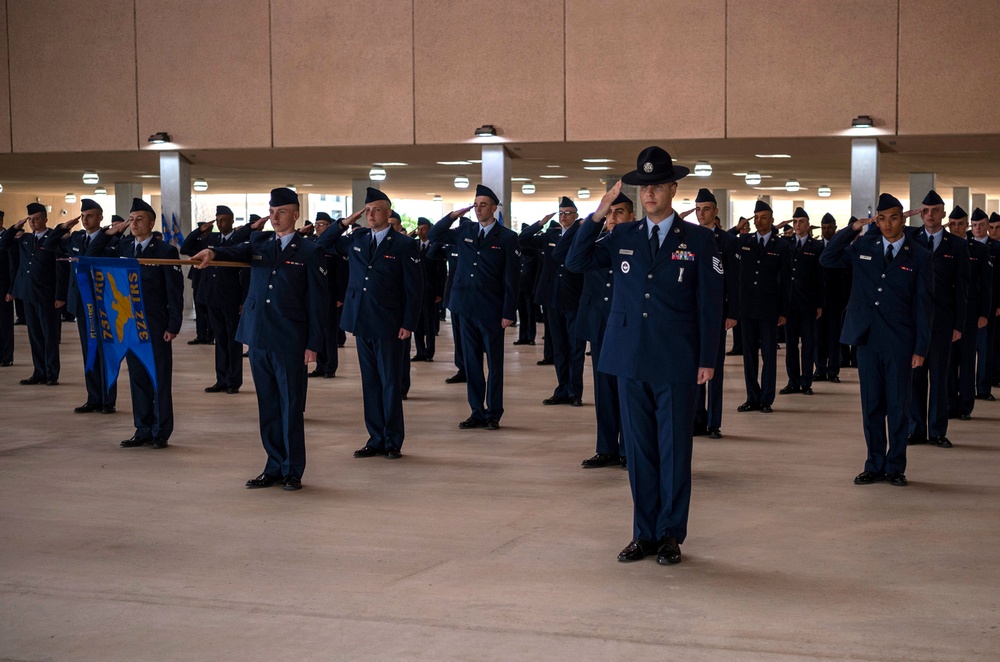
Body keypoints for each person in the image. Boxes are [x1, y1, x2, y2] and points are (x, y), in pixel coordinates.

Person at [567, 146, 723, 565]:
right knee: (638, 452)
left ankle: (671, 534)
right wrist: (599, 213)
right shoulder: (622, 235)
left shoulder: (699, 240)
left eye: (657, 186)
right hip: (629, 355)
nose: (649, 194)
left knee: (673, 450)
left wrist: (708, 357)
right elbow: (576, 259)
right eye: (643, 187)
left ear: (673, 189)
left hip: (676, 357)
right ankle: (644, 532)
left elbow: (711, 304)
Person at [193, 187, 327, 490]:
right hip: (258, 335)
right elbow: (233, 250)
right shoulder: (259, 242)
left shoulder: (310, 251)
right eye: (272, 211)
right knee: (267, 405)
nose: (275, 217)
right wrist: (212, 252)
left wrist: (313, 344)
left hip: (290, 339)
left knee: (291, 406)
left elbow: (318, 302)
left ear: (295, 214)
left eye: (281, 212)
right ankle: (273, 466)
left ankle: (293, 469)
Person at [820, 194, 933, 487]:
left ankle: (896, 466)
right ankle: (874, 464)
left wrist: (920, 348)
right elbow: (828, 257)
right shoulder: (863, 246)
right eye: (881, 218)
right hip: (867, 340)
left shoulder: (918, 255)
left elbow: (924, 306)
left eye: (893, 217)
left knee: (898, 407)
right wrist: (854, 228)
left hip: (900, 342)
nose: (887, 224)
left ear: (903, 219)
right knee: (871, 406)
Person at [316, 188, 422, 458]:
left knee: (389, 383)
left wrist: (408, 323)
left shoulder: (403, 245)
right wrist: (344, 223)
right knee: (370, 383)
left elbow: (414, 289)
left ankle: (392, 441)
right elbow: (323, 243)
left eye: (376, 209)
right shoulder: (358, 238)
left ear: (388, 213)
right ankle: (375, 438)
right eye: (368, 210)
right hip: (362, 319)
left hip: (389, 322)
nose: (371, 214)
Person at [429, 185, 520, 430]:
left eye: (483, 205)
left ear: (494, 208)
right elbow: (435, 235)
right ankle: (476, 411)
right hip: (464, 307)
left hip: (491, 309)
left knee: (494, 363)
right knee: (471, 361)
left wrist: (508, 312)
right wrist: (452, 216)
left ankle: (494, 413)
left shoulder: (508, 237)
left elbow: (512, 278)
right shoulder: (465, 230)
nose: (479, 209)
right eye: (476, 204)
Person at [103, 199, 184, 449]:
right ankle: (143, 428)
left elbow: (174, 291)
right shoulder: (123, 247)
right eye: (131, 219)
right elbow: (93, 252)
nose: (134, 223)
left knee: (158, 377)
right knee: (138, 378)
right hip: (129, 326)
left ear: (151, 222)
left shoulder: (165, 251)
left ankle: (161, 431)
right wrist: (112, 232)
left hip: (155, 326)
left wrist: (173, 325)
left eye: (139, 219)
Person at [563, 190, 634, 467]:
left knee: (627, 391)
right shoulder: (599, 242)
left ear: (631, 216)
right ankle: (606, 448)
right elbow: (571, 261)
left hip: (628, 327)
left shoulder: (640, 245)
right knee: (604, 390)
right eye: (610, 213)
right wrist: (595, 218)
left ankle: (629, 450)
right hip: (600, 323)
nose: (613, 218)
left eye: (619, 212)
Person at [906, 190, 969, 449]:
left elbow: (962, 289)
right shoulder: (910, 239)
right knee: (915, 378)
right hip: (914, 321)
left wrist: (958, 325)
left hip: (943, 323)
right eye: (925, 210)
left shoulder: (957, 245)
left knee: (940, 378)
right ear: (920, 213)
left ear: (943, 213)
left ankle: (937, 430)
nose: (929, 215)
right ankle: (916, 430)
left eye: (934, 210)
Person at [43, 199, 118, 413]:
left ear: (101, 217)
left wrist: (106, 235)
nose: (85, 220)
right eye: (83, 216)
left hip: (104, 303)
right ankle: (93, 398)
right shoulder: (75, 237)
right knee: (89, 351)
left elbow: (89, 256)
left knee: (106, 352)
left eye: (91, 216)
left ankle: (107, 400)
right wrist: (62, 227)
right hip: (82, 303)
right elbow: (48, 245)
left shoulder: (111, 240)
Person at [180, 205, 254, 394]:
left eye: (224, 220)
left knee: (233, 340)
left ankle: (233, 381)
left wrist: (243, 299)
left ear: (232, 220)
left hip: (231, 298)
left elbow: (246, 274)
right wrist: (200, 230)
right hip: (212, 297)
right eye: (218, 220)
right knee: (219, 340)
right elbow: (186, 248)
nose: (221, 223)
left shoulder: (239, 240)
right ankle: (221, 379)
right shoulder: (211, 239)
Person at [520, 197, 586, 406]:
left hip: (575, 299)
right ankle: (561, 390)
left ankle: (575, 392)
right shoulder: (550, 234)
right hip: (552, 298)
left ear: (576, 216)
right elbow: (522, 239)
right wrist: (540, 223)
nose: (564, 216)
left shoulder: (582, 235)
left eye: (568, 213)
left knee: (575, 349)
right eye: (562, 213)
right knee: (559, 347)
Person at [689, 190, 740, 438]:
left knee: (715, 368)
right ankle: (697, 418)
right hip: (691, 313)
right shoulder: (689, 238)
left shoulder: (728, 241)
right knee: (693, 367)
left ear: (716, 212)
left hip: (717, 313)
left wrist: (732, 312)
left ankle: (713, 422)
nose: (701, 214)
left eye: (706, 209)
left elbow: (734, 281)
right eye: (698, 209)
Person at [0, 203, 67, 385]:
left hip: (47, 295)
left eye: (37, 219)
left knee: (49, 336)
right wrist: (15, 227)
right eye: (30, 219)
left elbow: (60, 269)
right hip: (29, 294)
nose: (33, 222)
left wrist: (60, 296)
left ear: (45, 219)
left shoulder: (53, 239)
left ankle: (52, 373)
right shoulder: (25, 239)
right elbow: (3, 244)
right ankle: (39, 372)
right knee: (34, 335)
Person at [735, 200, 791, 413]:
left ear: (772, 220)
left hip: (769, 309)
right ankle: (752, 397)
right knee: (749, 354)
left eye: (763, 217)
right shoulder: (744, 241)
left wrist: (784, 311)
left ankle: (766, 399)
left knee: (768, 354)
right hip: (747, 307)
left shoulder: (782, 246)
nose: (759, 221)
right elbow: (724, 240)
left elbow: (786, 281)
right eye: (756, 217)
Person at [947, 208, 992, 419]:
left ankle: (965, 406)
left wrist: (984, 313)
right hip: (947, 314)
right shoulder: (943, 246)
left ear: (967, 226)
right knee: (947, 362)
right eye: (952, 223)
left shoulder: (978, 250)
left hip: (971, 314)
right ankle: (948, 404)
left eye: (960, 224)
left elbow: (986, 285)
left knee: (966, 362)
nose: (956, 228)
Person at [781, 207, 824, 396]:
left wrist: (820, 303)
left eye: (801, 222)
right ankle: (793, 381)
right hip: (789, 303)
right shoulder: (786, 245)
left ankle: (806, 382)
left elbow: (821, 277)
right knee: (790, 345)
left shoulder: (816, 247)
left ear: (808, 224)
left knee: (808, 344)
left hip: (808, 302)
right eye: (795, 222)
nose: (797, 225)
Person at [309, 212, 349, 378]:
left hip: (331, 295)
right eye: (316, 223)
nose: (317, 227)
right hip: (314, 296)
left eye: (321, 224)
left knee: (330, 333)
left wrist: (340, 296)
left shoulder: (336, 245)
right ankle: (320, 365)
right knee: (317, 331)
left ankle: (330, 366)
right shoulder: (311, 243)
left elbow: (342, 273)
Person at [815, 213, 850, 383]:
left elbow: (847, 276)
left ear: (835, 228)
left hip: (836, 300)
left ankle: (833, 371)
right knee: (819, 336)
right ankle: (820, 369)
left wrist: (845, 300)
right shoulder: (815, 247)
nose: (826, 231)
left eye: (829, 227)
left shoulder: (841, 249)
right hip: (818, 301)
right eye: (823, 228)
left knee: (834, 337)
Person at [412, 217, 445, 362]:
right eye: (418, 228)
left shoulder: (436, 246)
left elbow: (441, 272)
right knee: (417, 322)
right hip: (416, 291)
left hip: (430, 291)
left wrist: (439, 292)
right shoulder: (413, 245)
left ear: (430, 229)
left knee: (429, 323)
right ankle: (420, 351)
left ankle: (429, 352)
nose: (420, 231)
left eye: (423, 228)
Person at [0, 211, 17, 367]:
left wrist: (11, 289)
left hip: (3, 288)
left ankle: (6, 356)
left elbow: (13, 267)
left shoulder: (9, 240)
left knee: (5, 324)